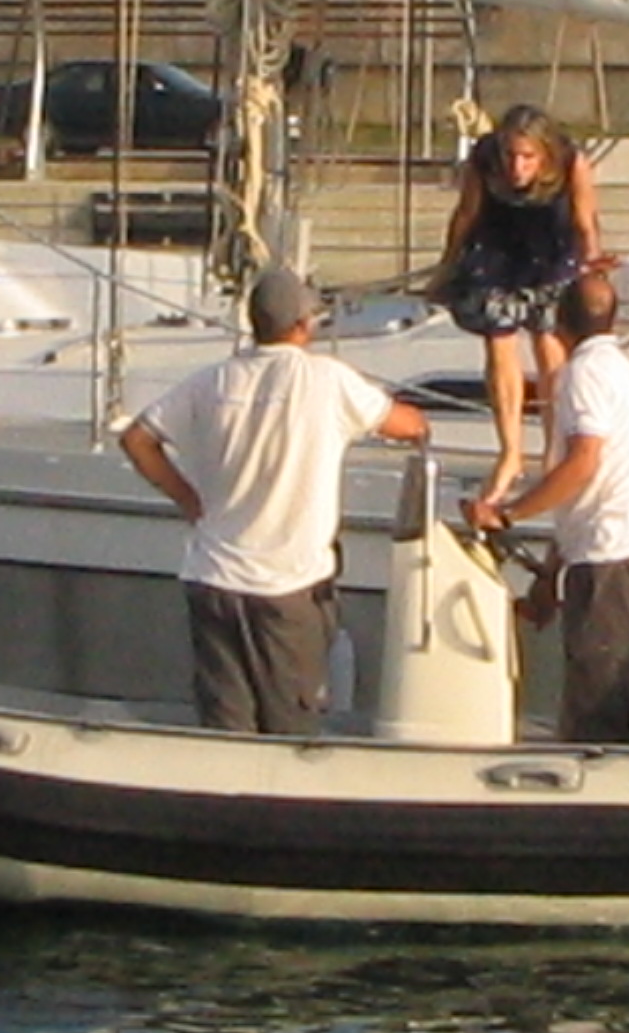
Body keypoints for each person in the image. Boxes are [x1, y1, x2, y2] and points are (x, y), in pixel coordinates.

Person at [121, 266, 428, 734]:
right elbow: (408, 425)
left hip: (213, 578)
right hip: (288, 586)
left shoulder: (211, 381)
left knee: (225, 728)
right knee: (290, 728)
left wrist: (188, 499)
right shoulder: (327, 380)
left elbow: (137, 439)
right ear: (303, 324)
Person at [462, 272, 629, 744]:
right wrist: (550, 576)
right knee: (608, 693)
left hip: (610, 560)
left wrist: (507, 514)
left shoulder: (582, 375)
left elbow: (584, 462)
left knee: (595, 712)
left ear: (560, 323)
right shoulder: (622, 372)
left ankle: (597, 782)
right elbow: (588, 491)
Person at [429, 105, 610, 501]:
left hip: (553, 252)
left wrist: (592, 268)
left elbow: (585, 222)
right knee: (499, 341)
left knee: (549, 346)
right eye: (511, 155)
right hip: (499, 251)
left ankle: (553, 447)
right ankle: (510, 453)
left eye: (527, 157)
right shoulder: (484, 159)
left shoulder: (571, 162)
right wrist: (447, 266)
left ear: (544, 154)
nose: (517, 167)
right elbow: (466, 215)